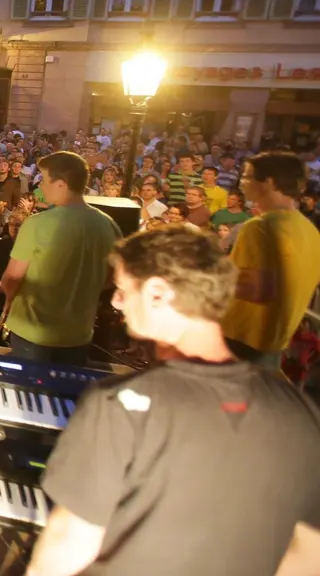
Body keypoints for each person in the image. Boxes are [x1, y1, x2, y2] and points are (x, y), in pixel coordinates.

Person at [28, 226, 320, 576]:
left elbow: (69, 542)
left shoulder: (119, 406)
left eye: (122, 290)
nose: (115, 302)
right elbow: (307, 554)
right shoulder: (302, 413)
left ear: (156, 293)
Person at [1, 151, 122, 365]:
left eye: (45, 180)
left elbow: (12, 279)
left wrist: (9, 301)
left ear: (61, 184)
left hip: (32, 333)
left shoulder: (36, 224)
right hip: (78, 336)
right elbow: (114, 278)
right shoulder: (108, 225)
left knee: (28, 395)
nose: (41, 187)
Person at [220, 152, 320, 369]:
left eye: (247, 177)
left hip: (241, 341)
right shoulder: (309, 230)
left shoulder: (260, 226)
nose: (242, 182)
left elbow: (253, 289)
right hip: (276, 342)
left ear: (269, 182)